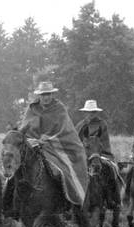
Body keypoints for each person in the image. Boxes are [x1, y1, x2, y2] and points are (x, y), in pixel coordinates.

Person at [6, 81, 89, 212]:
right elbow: (24, 130)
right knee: (14, 171)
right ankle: (8, 208)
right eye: (43, 94)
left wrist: (46, 140)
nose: (46, 97)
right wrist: (29, 140)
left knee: (62, 172)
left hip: (54, 147)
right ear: (39, 95)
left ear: (52, 94)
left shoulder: (59, 108)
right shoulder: (32, 109)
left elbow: (64, 130)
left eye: (48, 94)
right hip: (32, 146)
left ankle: (66, 204)